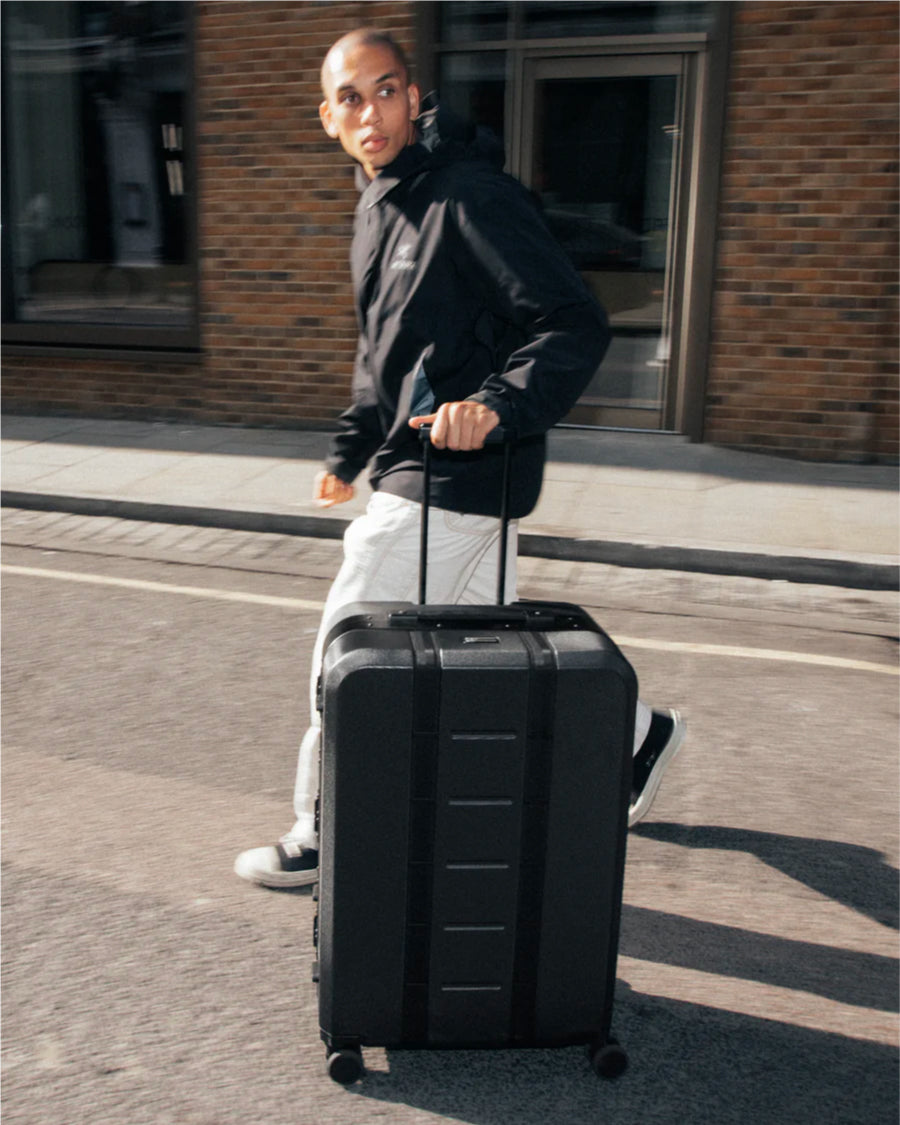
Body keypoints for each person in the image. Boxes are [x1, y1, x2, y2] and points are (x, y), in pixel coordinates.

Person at [235, 28, 685, 888]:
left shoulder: (467, 194)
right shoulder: (377, 209)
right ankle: (637, 737)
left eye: (387, 90)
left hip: (454, 472)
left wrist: (497, 405)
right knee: (489, 662)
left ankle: (324, 828)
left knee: (350, 647)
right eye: (351, 98)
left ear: (413, 97)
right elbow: (384, 357)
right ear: (328, 118)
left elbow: (572, 320)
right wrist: (349, 449)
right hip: (436, 472)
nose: (371, 112)